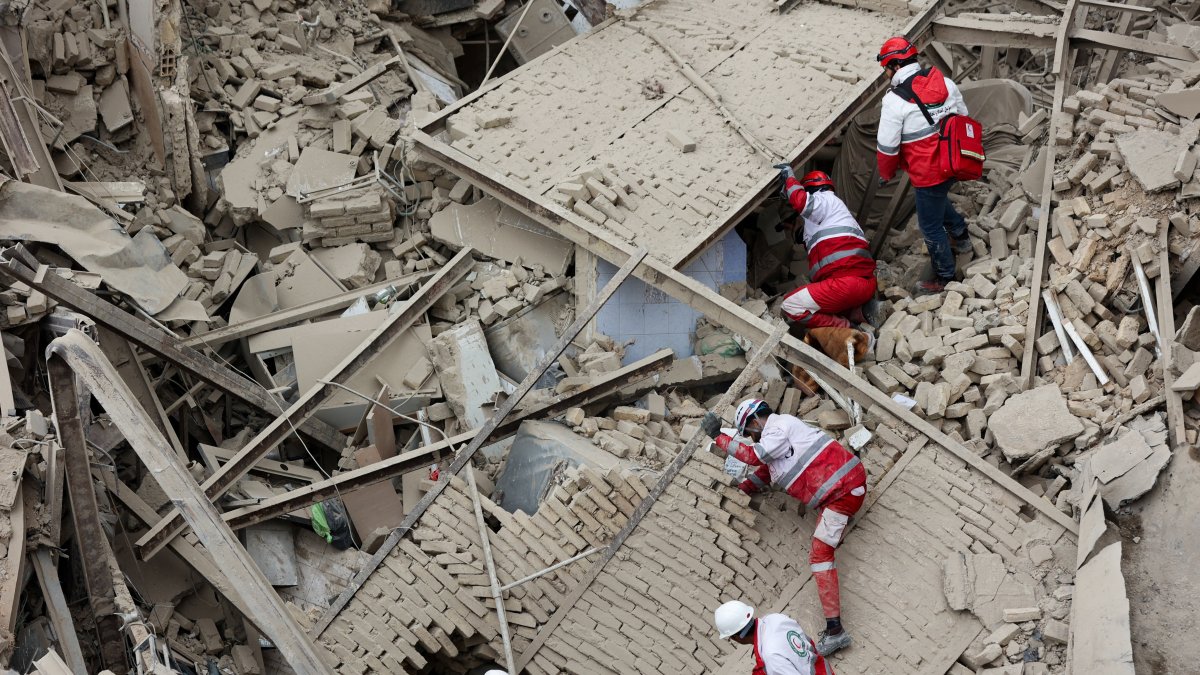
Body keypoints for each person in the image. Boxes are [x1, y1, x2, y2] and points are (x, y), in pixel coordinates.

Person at [701, 399, 866, 656]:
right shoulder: (775, 438)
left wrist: (717, 437)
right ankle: (835, 631)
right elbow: (766, 471)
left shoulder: (777, 428)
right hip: (841, 492)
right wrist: (742, 490)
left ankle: (836, 632)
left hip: (843, 495)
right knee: (821, 551)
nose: (750, 438)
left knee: (820, 556)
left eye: (748, 433)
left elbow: (753, 457)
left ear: (755, 421)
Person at [874, 36, 972, 294]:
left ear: (894, 66)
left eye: (886, 68)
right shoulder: (945, 82)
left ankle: (945, 277)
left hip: (928, 173)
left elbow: (887, 147)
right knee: (938, 199)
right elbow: (964, 117)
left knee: (929, 226)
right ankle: (961, 236)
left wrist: (886, 173)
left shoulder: (894, 102)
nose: (885, 73)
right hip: (954, 161)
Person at [773, 167, 880, 329]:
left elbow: (803, 202)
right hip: (862, 284)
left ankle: (848, 327)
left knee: (791, 306)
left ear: (811, 190)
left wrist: (789, 180)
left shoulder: (825, 199)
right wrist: (794, 229)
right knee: (826, 308)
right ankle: (860, 313)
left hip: (845, 285)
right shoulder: (837, 213)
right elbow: (814, 238)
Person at [714, 600, 834, 674]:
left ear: (736, 637)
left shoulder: (771, 657)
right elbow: (808, 643)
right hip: (820, 667)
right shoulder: (776, 618)